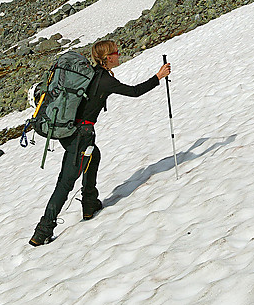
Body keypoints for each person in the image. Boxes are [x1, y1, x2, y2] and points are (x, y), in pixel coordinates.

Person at [29, 40, 170, 246]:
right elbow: (135, 91)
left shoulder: (90, 74)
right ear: (108, 57)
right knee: (67, 181)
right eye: (116, 52)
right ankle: (43, 230)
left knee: (94, 155)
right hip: (81, 134)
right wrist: (158, 76)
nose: (119, 54)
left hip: (70, 132)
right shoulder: (104, 80)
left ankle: (89, 203)